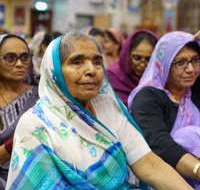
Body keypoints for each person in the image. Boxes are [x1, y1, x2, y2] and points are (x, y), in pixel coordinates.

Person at [6, 30, 193, 190]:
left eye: (97, 62)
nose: (91, 70)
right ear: (54, 71)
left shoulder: (107, 107)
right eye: (77, 62)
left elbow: (149, 164)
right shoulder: (36, 124)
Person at [128, 31, 200, 189]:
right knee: (184, 137)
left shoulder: (194, 90)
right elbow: (161, 144)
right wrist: (198, 169)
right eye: (180, 62)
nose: (190, 69)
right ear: (164, 63)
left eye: (195, 60)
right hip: (165, 178)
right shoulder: (147, 97)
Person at [0, 34, 39, 189]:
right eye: (10, 58)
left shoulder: (40, 95)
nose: (19, 64)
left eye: (24, 57)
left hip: (34, 175)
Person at [106, 30, 158, 107]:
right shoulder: (111, 77)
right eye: (137, 58)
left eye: (148, 59)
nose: (142, 65)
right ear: (127, 55)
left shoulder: (159, 81)